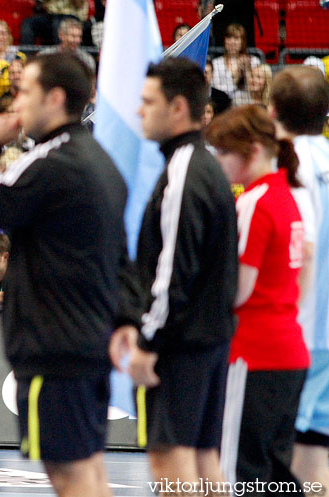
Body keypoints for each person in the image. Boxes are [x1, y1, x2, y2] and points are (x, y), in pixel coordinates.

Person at [0, 53, 132, 497]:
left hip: (56, 346)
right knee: (85, 469)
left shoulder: (52, 162)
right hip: (87, 338)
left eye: (26, 92)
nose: (18, 103)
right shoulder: (100, 160)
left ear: (54, 98)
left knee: (69, 476)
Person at [109, 57, 238, 489]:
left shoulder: (185, 169)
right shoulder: (204, 165)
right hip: (207, 339)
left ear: (178, 107)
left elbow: (174, 269)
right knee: (203, 461)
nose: (139, 112)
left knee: (171, 460)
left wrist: (148, 340)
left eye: (148, 102)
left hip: (182, 343)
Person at [205, 104, 309, 488]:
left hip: (253, 356)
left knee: (239, 476)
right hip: (288, 354)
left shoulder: (253, 202)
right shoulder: (287, 197)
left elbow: (238, 289)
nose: (218, 162)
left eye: (223, 152)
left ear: (249, 152)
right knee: (275, 476)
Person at [265, 66, 329, 491]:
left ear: (271, 110)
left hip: (287, 337)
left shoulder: (278, 166)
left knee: (269, 460)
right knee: (314, 452)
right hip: (325, 336)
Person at [211, 23, 260, 98]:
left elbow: (256, 89)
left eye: (236, 38)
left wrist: (246, 70)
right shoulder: (216, 63)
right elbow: (215, 88)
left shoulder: (254, 61)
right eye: (229, 38)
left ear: (242, 41)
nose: (232, 42)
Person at [19, 0, 89, 46]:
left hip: (72, 16)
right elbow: (41, 4)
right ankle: (26, 57)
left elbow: (79, 4)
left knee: (58, 24)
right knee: (28, 23)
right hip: (51, 15)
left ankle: (58, 59)